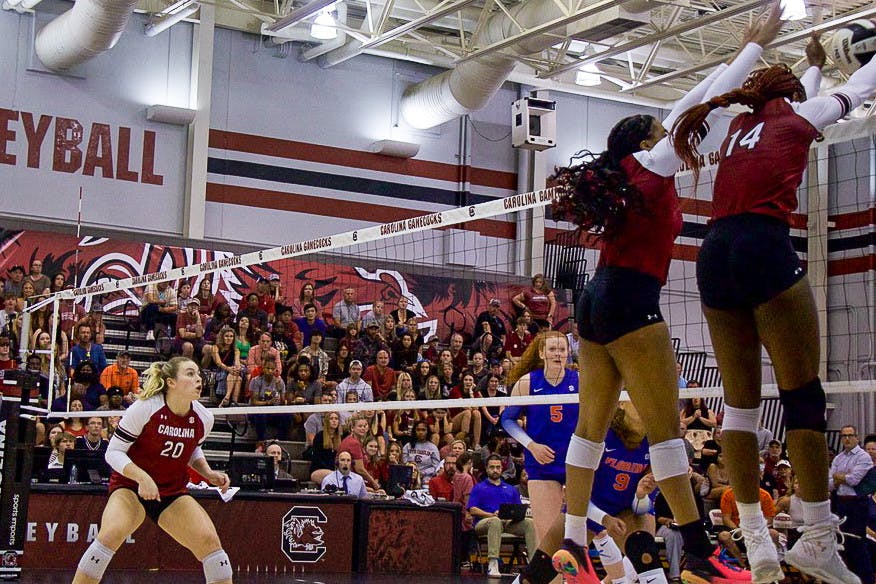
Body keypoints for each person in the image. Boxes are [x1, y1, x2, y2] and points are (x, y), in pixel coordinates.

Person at [549, 12, 784, 583]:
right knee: (665, 433)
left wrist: (735, 66)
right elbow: (694, 110)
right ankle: (701, 554)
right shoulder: (653, 163)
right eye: (659, 128)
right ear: (647, 141)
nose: (668, 129)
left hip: (595, 300)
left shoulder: (633, 167)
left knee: (591, 431)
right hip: (631, 300)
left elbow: (689, 102)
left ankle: (574, 547)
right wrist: (751, 49)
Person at [671, 23, 876, 582]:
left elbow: (795, 103)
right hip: (762, 245)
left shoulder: (741, 125)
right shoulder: (796, 119)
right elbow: (856, 91)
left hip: (713, 252)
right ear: (789, 96)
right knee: (802, 397)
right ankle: (815, 537)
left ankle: (757, 540)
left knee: (738, 406)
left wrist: (808, 64)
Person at [72, 357, 232, 584]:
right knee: (109, 535)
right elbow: (113, 453)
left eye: (198, 374)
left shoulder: (204, 418)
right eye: (189, 373)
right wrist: (142, 477)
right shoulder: (145, 408)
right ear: (171, 382)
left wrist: (209, 473)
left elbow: (192, 450)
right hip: (131, 486)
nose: (198, 379)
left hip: (171, 491)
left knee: (211, 546)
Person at [500, 331, 577, 545]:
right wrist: (532, 446)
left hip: (575, 464)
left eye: (562, 349)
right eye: (552, 349)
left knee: (580, 536)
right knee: (548, 538)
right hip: (542, 464)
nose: (557, 354)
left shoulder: (580, 381)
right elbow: (507, 420)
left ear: (568, 352)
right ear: (542, 353)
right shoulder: (527, 382)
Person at [468, 454, 537, 578]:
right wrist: (490, 514)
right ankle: (493, 563)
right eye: (492, 467)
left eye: (498, 467)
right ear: (486, 468)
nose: (495, 470)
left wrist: (515, 515)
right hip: (484, 522)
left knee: (529, 523)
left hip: (507, 522)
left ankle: (534, 565)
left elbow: (518, 508)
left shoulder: (511, 489)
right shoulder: (479, 487)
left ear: (502, 469)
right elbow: (472, 509)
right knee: (495, 521)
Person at [827, 425, 873, 583]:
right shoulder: (839, 458)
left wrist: (839, 478)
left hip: (857, 504)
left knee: (857, 542)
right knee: (843, 542)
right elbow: (829, 484)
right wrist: (843, 477)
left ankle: (866, 579)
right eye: (844, 436)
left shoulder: (863, 457)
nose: (846, 438)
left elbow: (855, 480)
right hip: (840, 502)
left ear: (857, 437)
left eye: (850, 435)